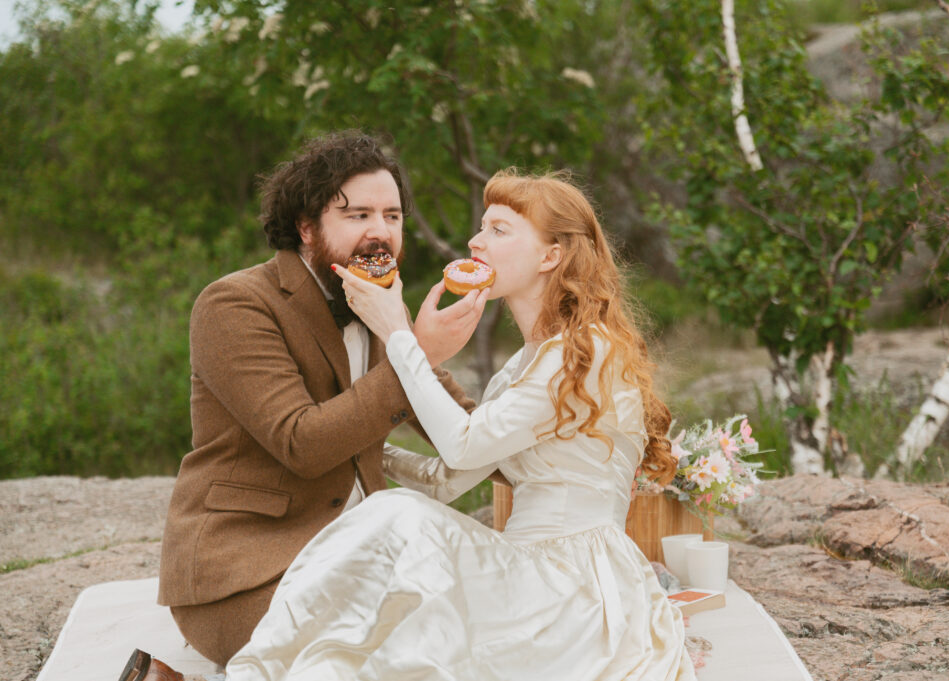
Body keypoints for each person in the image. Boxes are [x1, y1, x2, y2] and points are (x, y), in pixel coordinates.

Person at [217, 169, 698, 680]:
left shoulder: (587, 351)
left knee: (397, 521)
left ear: (550, 256)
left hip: (573, 579)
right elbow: (447, 480)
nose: (475, 241)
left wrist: (400, 336)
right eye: (481, 227)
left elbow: (464, 446)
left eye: (498, 230)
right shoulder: (523, 365)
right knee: (397, 571)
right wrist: (364, 448)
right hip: (524, 566)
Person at [148, 131, 486, 672]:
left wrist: (575, 439)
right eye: (357, 216)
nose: (380, 232)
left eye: (393, 216)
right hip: (250, 577)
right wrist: (412, 348)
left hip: (364, 557)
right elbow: (301, 442)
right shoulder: (233, 304)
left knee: (491, 623)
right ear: (307, 227)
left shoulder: (377, 302)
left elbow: (468, 426)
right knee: (411, 650)